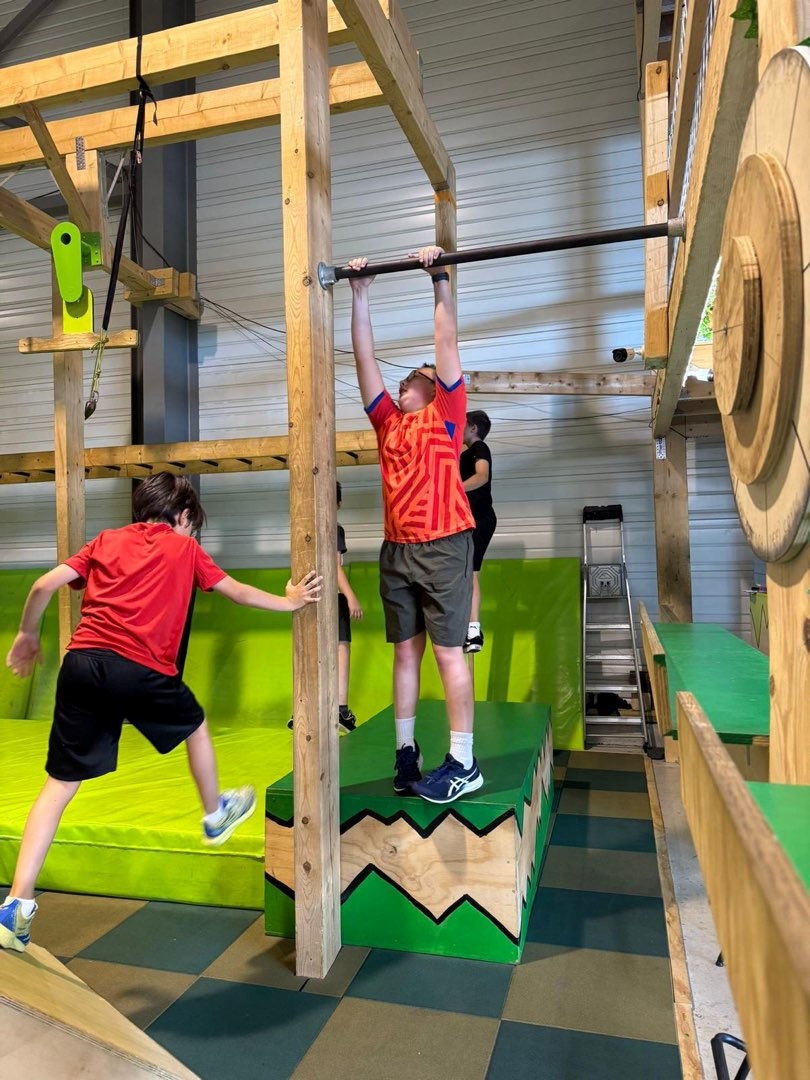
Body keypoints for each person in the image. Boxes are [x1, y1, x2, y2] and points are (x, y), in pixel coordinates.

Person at [1, 474, 321, 953]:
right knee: (197, 726)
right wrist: (290, 601)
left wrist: (28, 635)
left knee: (60, 785)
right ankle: (215, 814)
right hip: (139, 667)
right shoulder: (184, 548)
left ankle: (17, 904)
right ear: (184, 515)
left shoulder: (106, 540)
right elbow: (237, 591)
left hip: (82, 663)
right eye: (193, 523)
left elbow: (44, 584)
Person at [348, 245, 483, 805]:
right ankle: (406, 752)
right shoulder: (387, 423)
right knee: (406, 653)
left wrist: (439, 280)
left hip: (445, 544)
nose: (411, 382)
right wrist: (360, 293)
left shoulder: (447, 417)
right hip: (397, 550)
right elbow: (364, 359)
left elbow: (446, 344)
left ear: (435, 390)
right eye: (408, 379)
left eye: (422, 379)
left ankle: (464, 762)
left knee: (449, 653)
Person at [288, 479, 363, 733]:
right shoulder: (334, 528)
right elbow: (334, 564)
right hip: (330, 595)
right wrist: (350, 596)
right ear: (339, 504)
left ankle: (303, 707)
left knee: (311, 650)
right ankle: (340, 709)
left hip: (307, 595)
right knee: (341, 648)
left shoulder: (304, 528)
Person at [460, 410, 496, 652]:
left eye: (463, 423)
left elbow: (482, 476)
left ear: (473, 428)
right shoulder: (464, 454)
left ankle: (474, 630)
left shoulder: (480, 448)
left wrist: (455, 489)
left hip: (480, 519)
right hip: (467, 520)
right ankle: (468, 626)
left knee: (471, 573)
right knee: (465, 573)